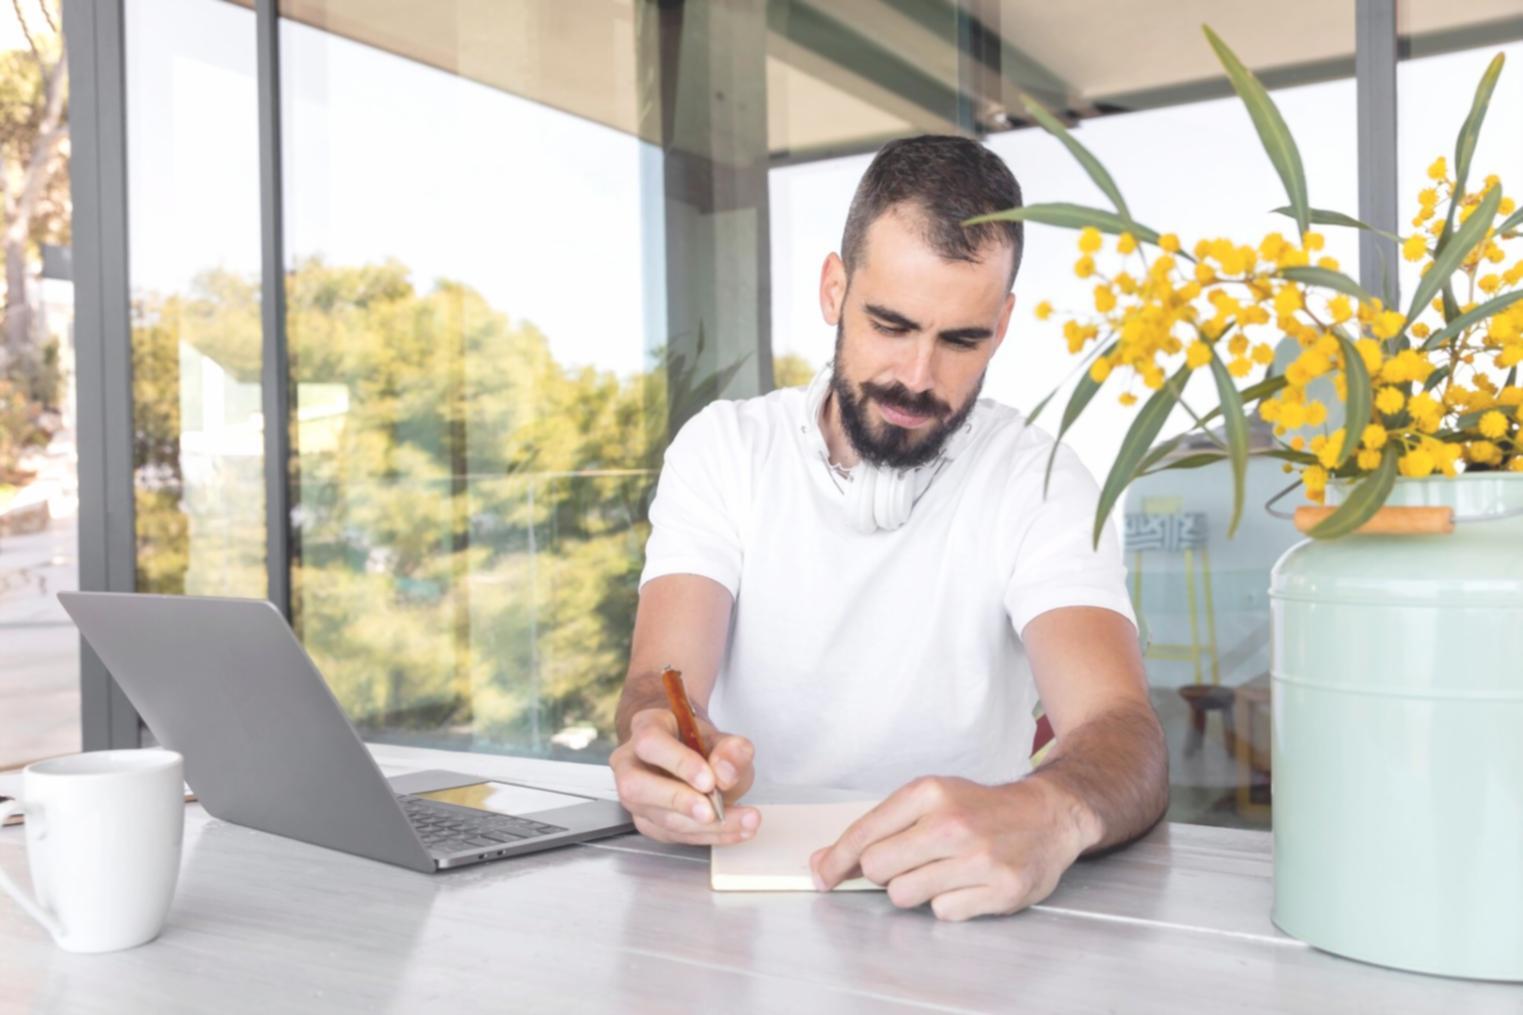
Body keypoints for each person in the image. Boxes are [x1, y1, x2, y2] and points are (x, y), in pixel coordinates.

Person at [609, 134, 1167, 922]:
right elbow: (654, 680)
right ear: (834, 290)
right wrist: (657, 739)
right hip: (730, 909)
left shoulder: (1039, 479)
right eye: (891, 324)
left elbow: (1122, 731)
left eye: (961, 340)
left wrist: (1054, 811)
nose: (917, 376)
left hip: (956, 916)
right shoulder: (724, 448)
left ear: (1001, 327)